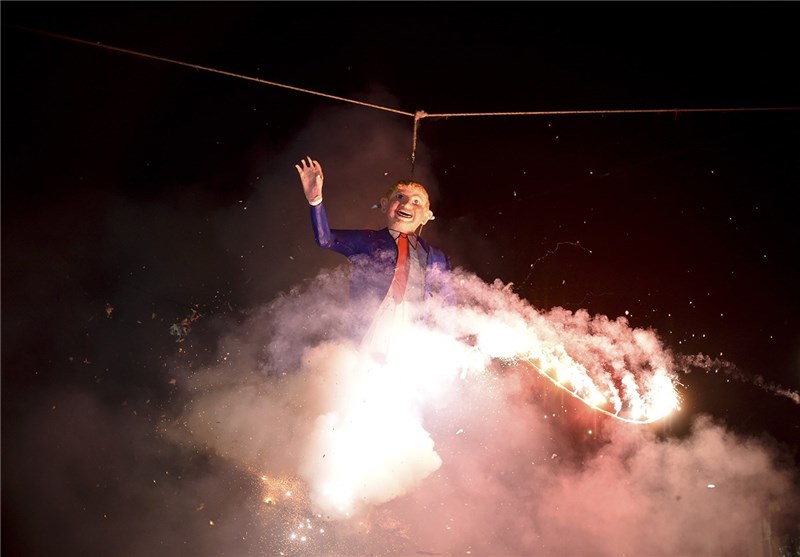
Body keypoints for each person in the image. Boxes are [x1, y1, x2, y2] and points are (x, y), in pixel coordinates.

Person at [295, 156, 454, 360]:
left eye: (416, 201)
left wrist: (451, 338)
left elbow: (449, 301)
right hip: (373, 325)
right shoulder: (367, 240)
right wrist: (315, 201)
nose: (407, 204)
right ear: (385, 205)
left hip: (414, 332)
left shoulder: (438, 258)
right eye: (400, 197)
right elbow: (326, 240)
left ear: (426, 216)